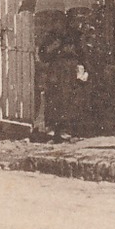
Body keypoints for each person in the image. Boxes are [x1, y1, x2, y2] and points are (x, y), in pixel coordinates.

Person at [36, 10, 90, 142]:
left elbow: (82, 53)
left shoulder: (75, 35)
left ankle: (72, 131)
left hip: (71, 71)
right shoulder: (50, 37)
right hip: (56, 71)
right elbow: (43, 56)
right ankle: (57, 132)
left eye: (62, 21)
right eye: (56, 21)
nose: (58, 24)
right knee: (56, 100)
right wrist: (54, 47)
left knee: (72, 100)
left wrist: (84, 69)